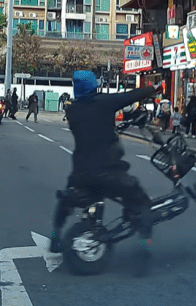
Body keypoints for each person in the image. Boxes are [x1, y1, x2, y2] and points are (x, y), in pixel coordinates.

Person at [51, 71, 159, 276]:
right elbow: (131, 95)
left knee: (65, 198)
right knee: (142, 201)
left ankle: (55, 236)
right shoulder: (105, 103)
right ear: (94, 86)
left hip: (81, 174)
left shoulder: (73, 112)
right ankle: (145, 249)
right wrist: (153, 88)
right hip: (109, 172)